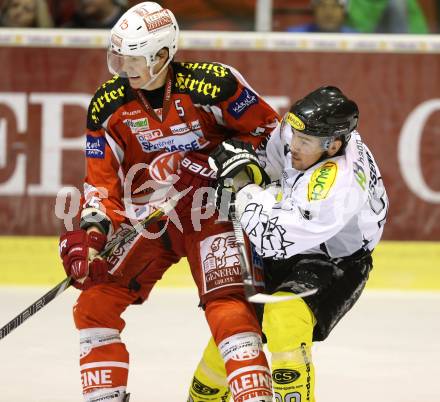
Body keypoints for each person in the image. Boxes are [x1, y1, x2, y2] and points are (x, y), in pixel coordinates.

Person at [58, 2, 280, 401]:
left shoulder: (216, 84)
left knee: (228, 307)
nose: (121, 70)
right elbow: (101, 183)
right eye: (117, 58)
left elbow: (270, 135)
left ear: (162, 56)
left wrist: (217, 160)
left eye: (132, 60)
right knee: (93, 304)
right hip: (150, 219)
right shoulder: (107, 106)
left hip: (214, 211)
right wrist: (91, 233)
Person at [196, 86, 389, 401]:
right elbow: (272, 168)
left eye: (305, 142)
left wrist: (243, 191)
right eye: (294, 135)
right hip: (295, 239)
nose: (293, 145)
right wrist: (243, 164)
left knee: (285, 318)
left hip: (334, 261)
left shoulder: (337, 186)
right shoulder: (300, 132)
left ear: (334, 146)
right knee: (231, 336)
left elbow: (272, 241)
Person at [287, 0, 357, 33]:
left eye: (335, 6)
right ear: (314, 9)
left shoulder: (357, 38)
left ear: (344, 11)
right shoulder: (294, 35)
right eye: (322, 5)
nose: (328, 12)